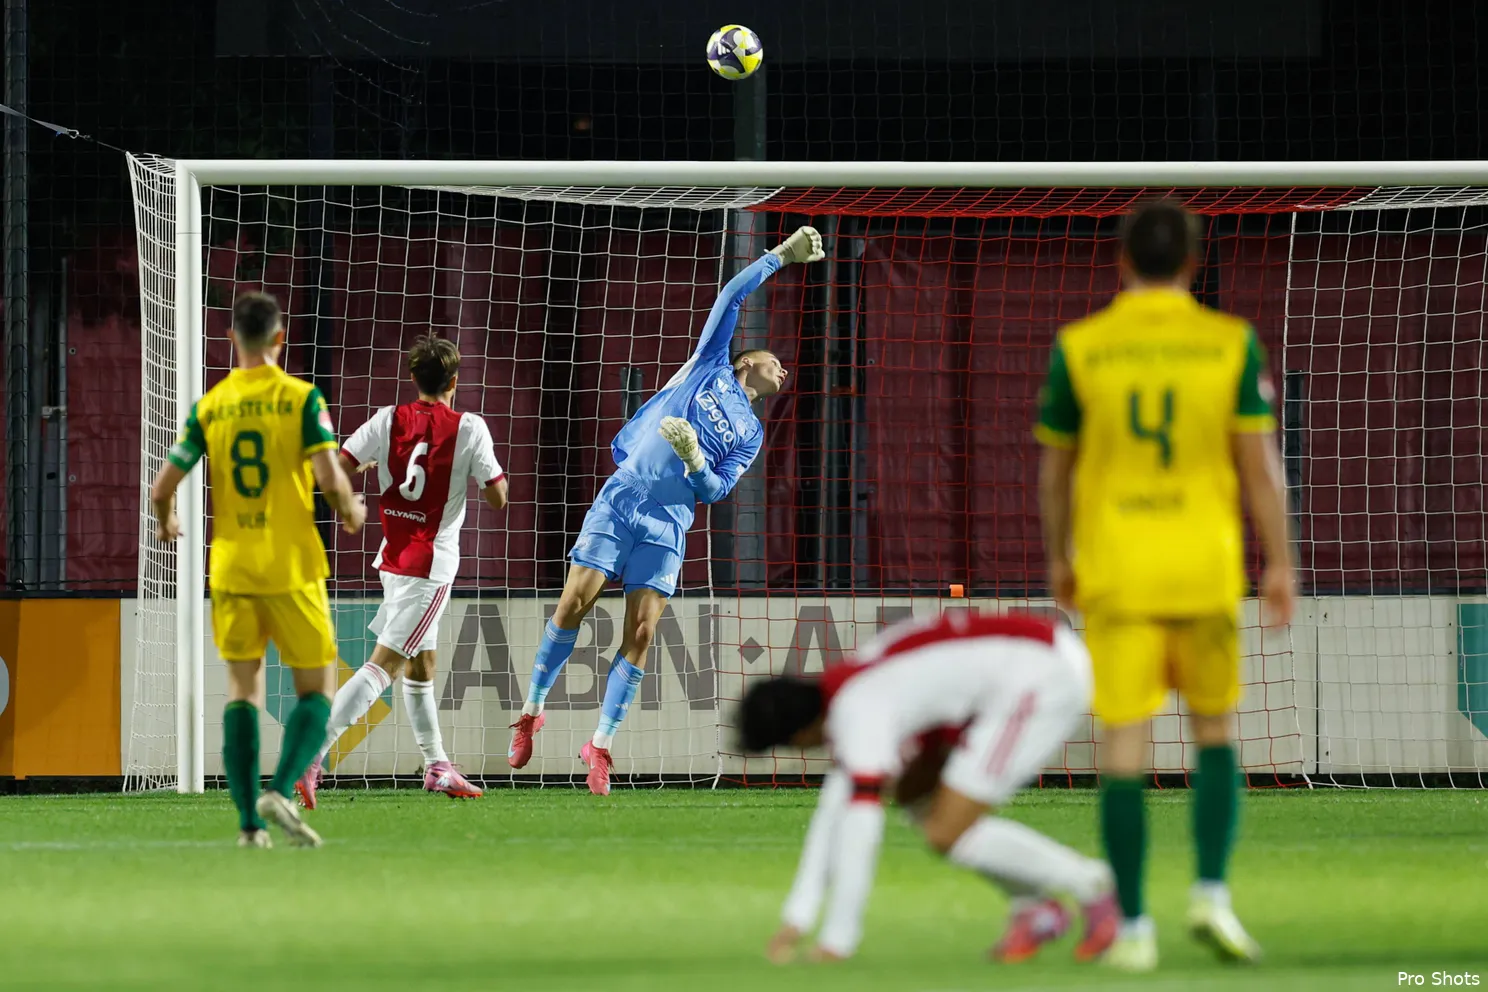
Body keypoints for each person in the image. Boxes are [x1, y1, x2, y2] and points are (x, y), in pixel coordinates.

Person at [1035, 200, 1296, 971]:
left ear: (1121, 261)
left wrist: (1059, 557)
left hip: (1118, 568)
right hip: (1204, 566)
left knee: (1124, 744)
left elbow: (1055, 473)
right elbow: (1261, 467)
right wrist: (1281, 562)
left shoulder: (1082, 347)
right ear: (1192, 261)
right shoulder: (1230, 343)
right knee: (1214, 732)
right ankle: (1211, 892)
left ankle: (1135, 928)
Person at [507, 225, 825, 795]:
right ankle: (531, 710)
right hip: (625, 496)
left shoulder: (751, 433)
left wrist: (696, 459)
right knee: (575, 603)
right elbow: (731, 296)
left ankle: (599, 746)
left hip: (669, 523)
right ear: (748, 360)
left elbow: (717, 490)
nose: (784, 369)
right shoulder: (711, 365)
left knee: (642, 631)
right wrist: (779, 257)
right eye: (775, 361)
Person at [739, 610, 1118, 964]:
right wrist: (798, 918)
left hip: (1040, 676)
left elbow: (858, 830)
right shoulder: (850, 687)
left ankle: (1094, 885)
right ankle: (1034, 908)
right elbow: (833, 811)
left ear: (799, 735)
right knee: (916, 798)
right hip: (1014, 671)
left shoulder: (858, 710)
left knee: (946, 831)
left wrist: (837, 940)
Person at [149, 291, 366, 848]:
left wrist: (167, 520)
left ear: (231, 340)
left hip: (233, 568)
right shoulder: (300, 399)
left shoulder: (210, 406)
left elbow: (161, 486)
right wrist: (350, 511)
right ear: (279, 338)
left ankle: (249, 825)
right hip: (291, 565)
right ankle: (281, 788)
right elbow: (329, 478)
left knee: (242, 690)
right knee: (318, 687)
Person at [296, 335, 509, 808]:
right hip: (430, 566)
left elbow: (336, 467)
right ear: (455, 381)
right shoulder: (470, 428)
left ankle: (436, 765)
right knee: (384, 666)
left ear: (413, 378)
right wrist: (475, 475)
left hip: (393, 558)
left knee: (421, 662)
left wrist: (365, 476)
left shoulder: (386, 419)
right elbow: (498, 496)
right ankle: (309, 754)